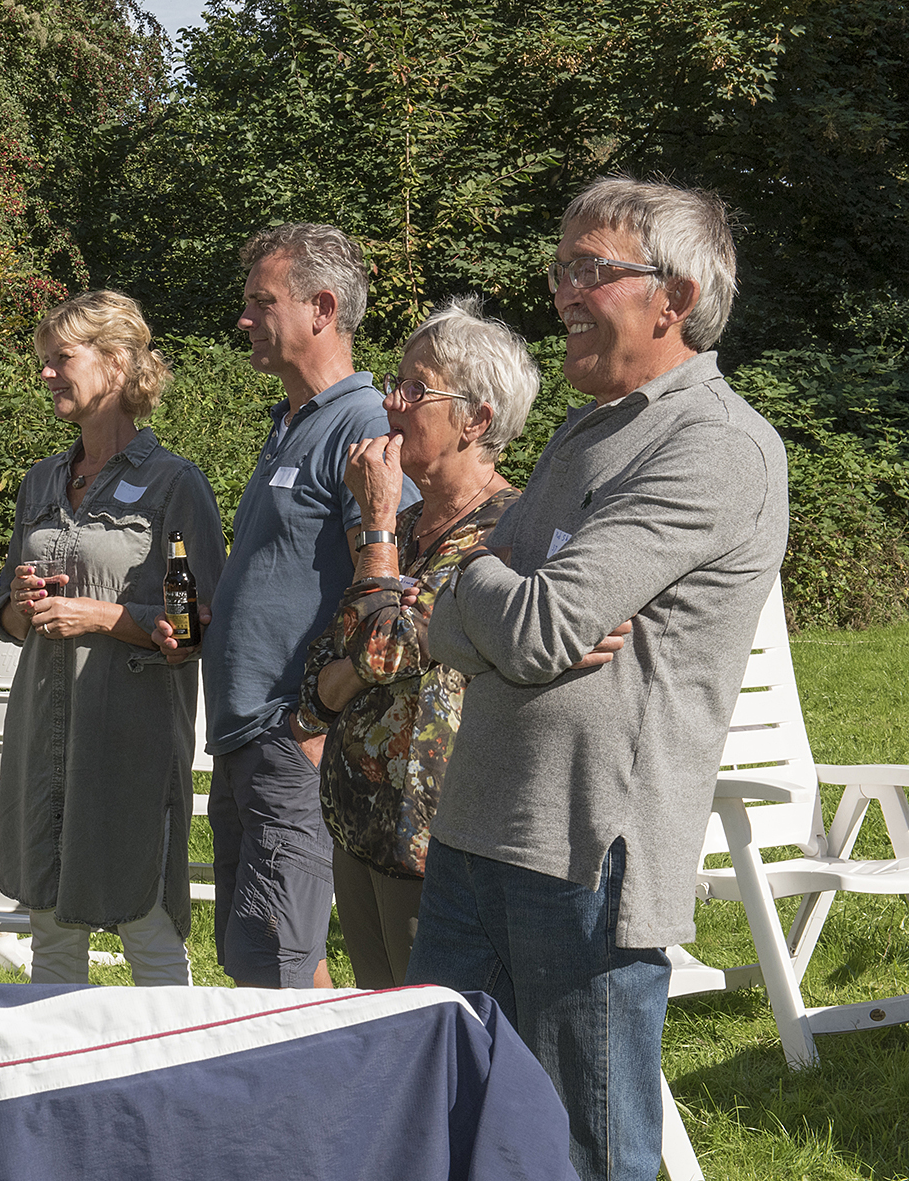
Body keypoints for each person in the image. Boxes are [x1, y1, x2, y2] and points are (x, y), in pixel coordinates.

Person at [406, 177, 789, 1181]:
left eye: (590, 269)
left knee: (582, 1151)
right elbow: (453, 624)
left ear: (676, 297)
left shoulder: (715, 445)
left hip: (585, 853)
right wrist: (486, 590)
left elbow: (535, 629)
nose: (561, 291)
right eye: (559, 267)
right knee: (449, 1131)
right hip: (474, 825)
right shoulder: (586, 429)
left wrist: (478, 588)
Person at [155, 224, 416, 990]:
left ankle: (318, 1074)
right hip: (248, 732)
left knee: (274, 960)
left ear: (321, 309)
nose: (243, 319)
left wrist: (320, 717)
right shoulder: (292, 422)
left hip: (290, 734)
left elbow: (392, 579)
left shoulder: (361, 423)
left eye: (259, 302)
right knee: (264, 956)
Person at [292, 296, 539, 990]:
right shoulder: (405, 530)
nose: (389, 402)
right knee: (381, 1023)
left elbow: (383, 650)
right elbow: (319, 680)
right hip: (359, 828)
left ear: (476, 421)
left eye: (414, 389)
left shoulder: (506, 532)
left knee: (436, 1025)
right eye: (394, 383)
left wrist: (373, 524)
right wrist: (346, 672)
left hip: (436, 843)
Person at [0, 291, 226, 986]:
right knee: (49, 924)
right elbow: (6, 615)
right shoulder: (41, 480)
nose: (45, 374)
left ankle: (168, 1056)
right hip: (41, 729)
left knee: (144, 920)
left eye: (60, 358)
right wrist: (20, 606)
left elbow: (200, 621)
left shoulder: (174, 483)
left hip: (129, 736)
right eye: (43, 360)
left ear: (116, 363)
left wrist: (102, 617)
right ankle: (62, 1055)